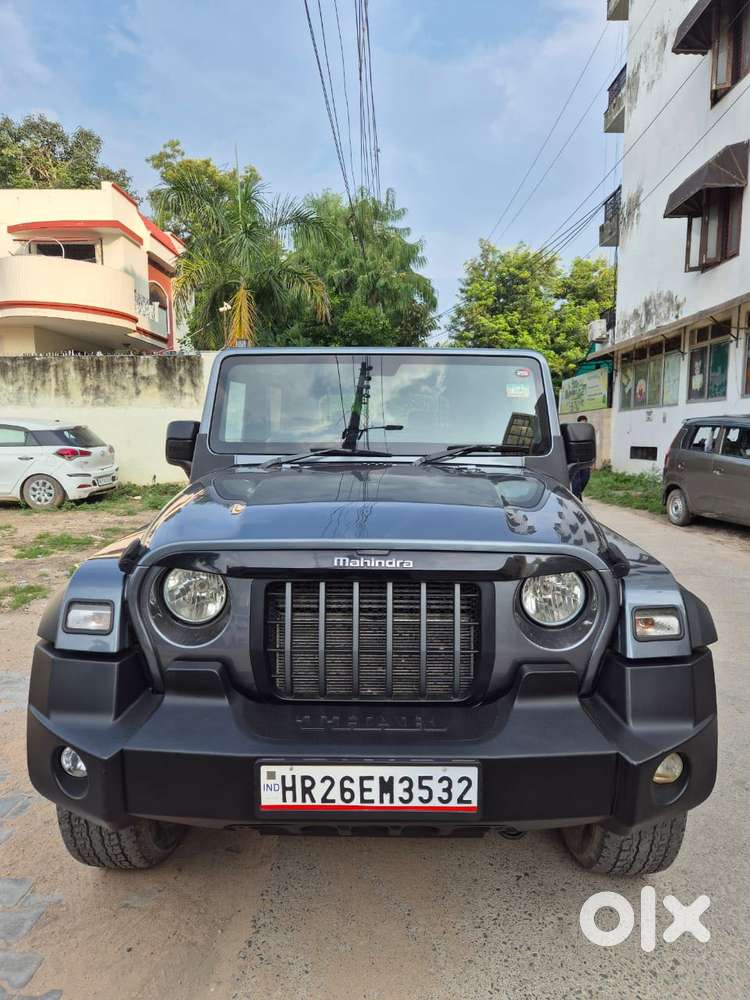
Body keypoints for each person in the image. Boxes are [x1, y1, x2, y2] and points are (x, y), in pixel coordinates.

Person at [570, 415, 593, 501]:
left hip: (585, 462)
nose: (584, 426)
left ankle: (578, 495)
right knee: (576, 482)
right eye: (582, 424)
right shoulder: (574, 433)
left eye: (585, 424)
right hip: (575, 461)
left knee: (585, 479)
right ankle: (577, 500)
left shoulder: (588, 434)